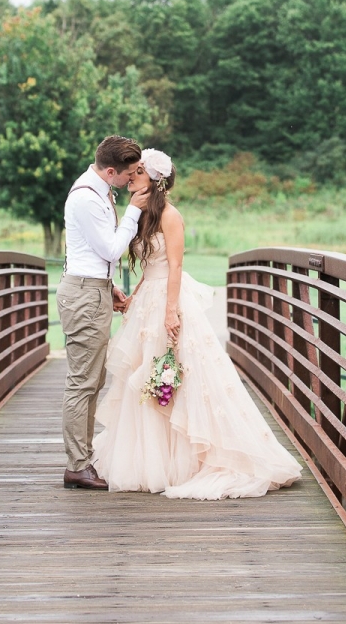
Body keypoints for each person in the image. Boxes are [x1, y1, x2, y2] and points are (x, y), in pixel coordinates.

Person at [92, 148, 302, 499]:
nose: (132, 175)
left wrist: (171, 311)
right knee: (145, 375)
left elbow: (174, 266)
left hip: (170, 299)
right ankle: (151, 460)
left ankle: (196, 458)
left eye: (139, 171)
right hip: (148, 300)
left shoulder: (171, 216)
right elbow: (149, 267)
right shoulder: (141, 215)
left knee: (177, 372)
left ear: (155, 180)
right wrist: (134, 297)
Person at [57, 135, 149, 490]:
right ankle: (77, 465)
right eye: (127, 176)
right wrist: (134, 211)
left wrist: (107, 286)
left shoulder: (99, 190)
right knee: (83, 382)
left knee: (92, 379)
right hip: (82, 295)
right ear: (110, 171)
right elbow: (111, 248)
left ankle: (83, 458)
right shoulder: (86, 198)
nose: (131, 182)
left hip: (91, 290)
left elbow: (89, 251)